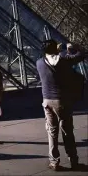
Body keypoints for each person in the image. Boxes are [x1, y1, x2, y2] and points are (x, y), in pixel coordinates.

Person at [36, 39, 85, 171]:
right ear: (55, 49)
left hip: (46, 100)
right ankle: (73, 161)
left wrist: (58, 51)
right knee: (67, 131)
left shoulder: (39, 63)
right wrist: (72, 47)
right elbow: (82, 54)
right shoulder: (64, 60)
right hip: (62, 101)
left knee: (52, 132)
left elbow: (52, 58)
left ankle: (54, 162)